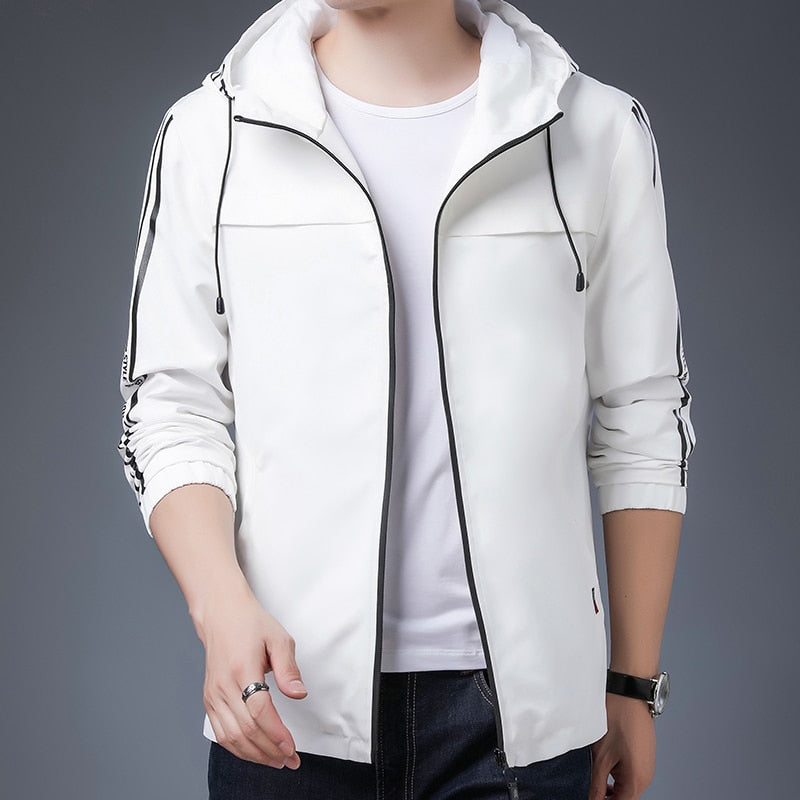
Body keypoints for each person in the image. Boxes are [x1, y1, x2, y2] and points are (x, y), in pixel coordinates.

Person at [117, 0, 696, 797]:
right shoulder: (211, 132)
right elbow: (171, 404)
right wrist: (219, 608)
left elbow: (643, 413)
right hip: (285, 710)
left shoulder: (594, 131)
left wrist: (632, 681)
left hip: (521, 728)